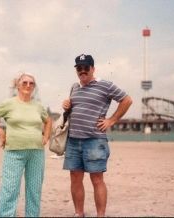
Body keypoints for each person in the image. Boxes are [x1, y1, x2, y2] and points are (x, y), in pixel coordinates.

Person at [62, 54, 132, 217]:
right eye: (79, 68)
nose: (83, 71)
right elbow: (74, 110)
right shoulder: (74, 87)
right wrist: (67, 105)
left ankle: (100, 215)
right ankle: (79, 213)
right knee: (75, 179)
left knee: (97, 180)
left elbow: (127, 100)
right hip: (73, 140)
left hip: (94, 141)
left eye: (86, 68)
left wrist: (112, 120)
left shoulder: (105, 85)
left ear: (93, 69)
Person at [0, 72, 52, 217]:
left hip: (36, 152)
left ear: (34, 87)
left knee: (34, 190)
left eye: (31, 83)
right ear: (17, 85)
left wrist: (46, 137)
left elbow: (48, 121)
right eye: (24, 83)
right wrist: (1, 133)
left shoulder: (38, 106)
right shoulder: (9, 103)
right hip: (14, 151)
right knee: (10, 189)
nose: (28, 85)